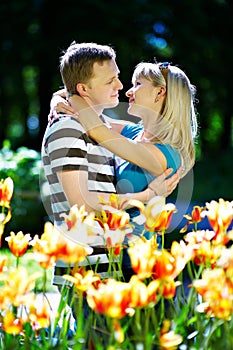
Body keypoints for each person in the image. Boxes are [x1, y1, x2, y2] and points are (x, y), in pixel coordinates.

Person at [49, 43, 198, 280]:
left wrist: (71, 96)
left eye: (137, 84)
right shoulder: (133, 133)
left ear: (160, 93)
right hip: (115, 255)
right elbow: (92, 112)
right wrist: (58, 100)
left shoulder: (166, 155)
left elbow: (98, 129)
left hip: (139, 263)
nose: (127, 91)